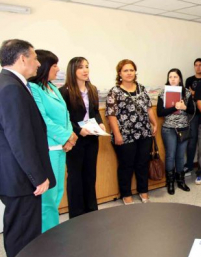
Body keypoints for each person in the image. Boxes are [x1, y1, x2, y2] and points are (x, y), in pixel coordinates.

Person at [0, 39, 55, 257]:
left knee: (20, 227)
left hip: (13, 173)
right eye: (34, 58)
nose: (38, 63)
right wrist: (37, 176)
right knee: (22, 231)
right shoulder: (11, 87)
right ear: (23, 59)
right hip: (20, 176)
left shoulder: (8, 82)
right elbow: (19, 138)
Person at [29, 50, 77, 231]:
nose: (58, 69)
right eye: (54, 65)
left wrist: (71, 136)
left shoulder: (52, 87)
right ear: (44, 66)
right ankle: (46, 235)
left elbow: (65, 115)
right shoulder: (33, 89)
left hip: (61, 147)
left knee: (57, 192)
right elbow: (43, 120)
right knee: (47, 198)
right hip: (49, 147)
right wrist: (66, 136)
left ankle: (52, 231)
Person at [106, 59, 157, 205]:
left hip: (144, 133)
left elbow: (149, 108)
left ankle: (143, 191)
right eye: (125, 70)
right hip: (124, 135)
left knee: (142, 163)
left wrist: (154, 123)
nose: (129, 73)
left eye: (131, 70)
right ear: (120, 74)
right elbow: (111, 114)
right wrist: (117, 134)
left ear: (135, 72)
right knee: (126, 165)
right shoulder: (114, 92)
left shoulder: (141, 88)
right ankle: (126, 193)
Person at [60, 57, 104, 218]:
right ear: (73, 70)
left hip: (92, 138)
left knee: (90, 174)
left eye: (87, 66)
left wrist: (100, 124)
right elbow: (64, 118)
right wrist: (78, 130)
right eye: (80, 67)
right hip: (75, 139)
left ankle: (91, 211)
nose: (85, 70)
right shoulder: (64, 92)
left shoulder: (92, 89)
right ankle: (77, 215)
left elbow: (95, 112)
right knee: (75, 177)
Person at [157, 68, 194, 194]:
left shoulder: (187, 93)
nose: (172, 79)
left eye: (175, 77)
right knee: (170, 155)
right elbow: (159, 112)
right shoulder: (163, 93)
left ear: (180, 79)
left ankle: (181, 181)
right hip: (169, 129)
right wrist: (174, 107)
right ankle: (170, 183)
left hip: (183, 128)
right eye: (170, 77)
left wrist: (184, 107)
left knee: (180, 156)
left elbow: (192, 111)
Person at [184, 58, 201, 174]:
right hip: (192, 113)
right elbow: (187, 95)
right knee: (191, 140)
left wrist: (195, 93)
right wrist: (197, 94)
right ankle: (189, 165)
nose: (198, 67)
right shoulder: (189, 80)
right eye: (196, 65)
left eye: (200, 65)